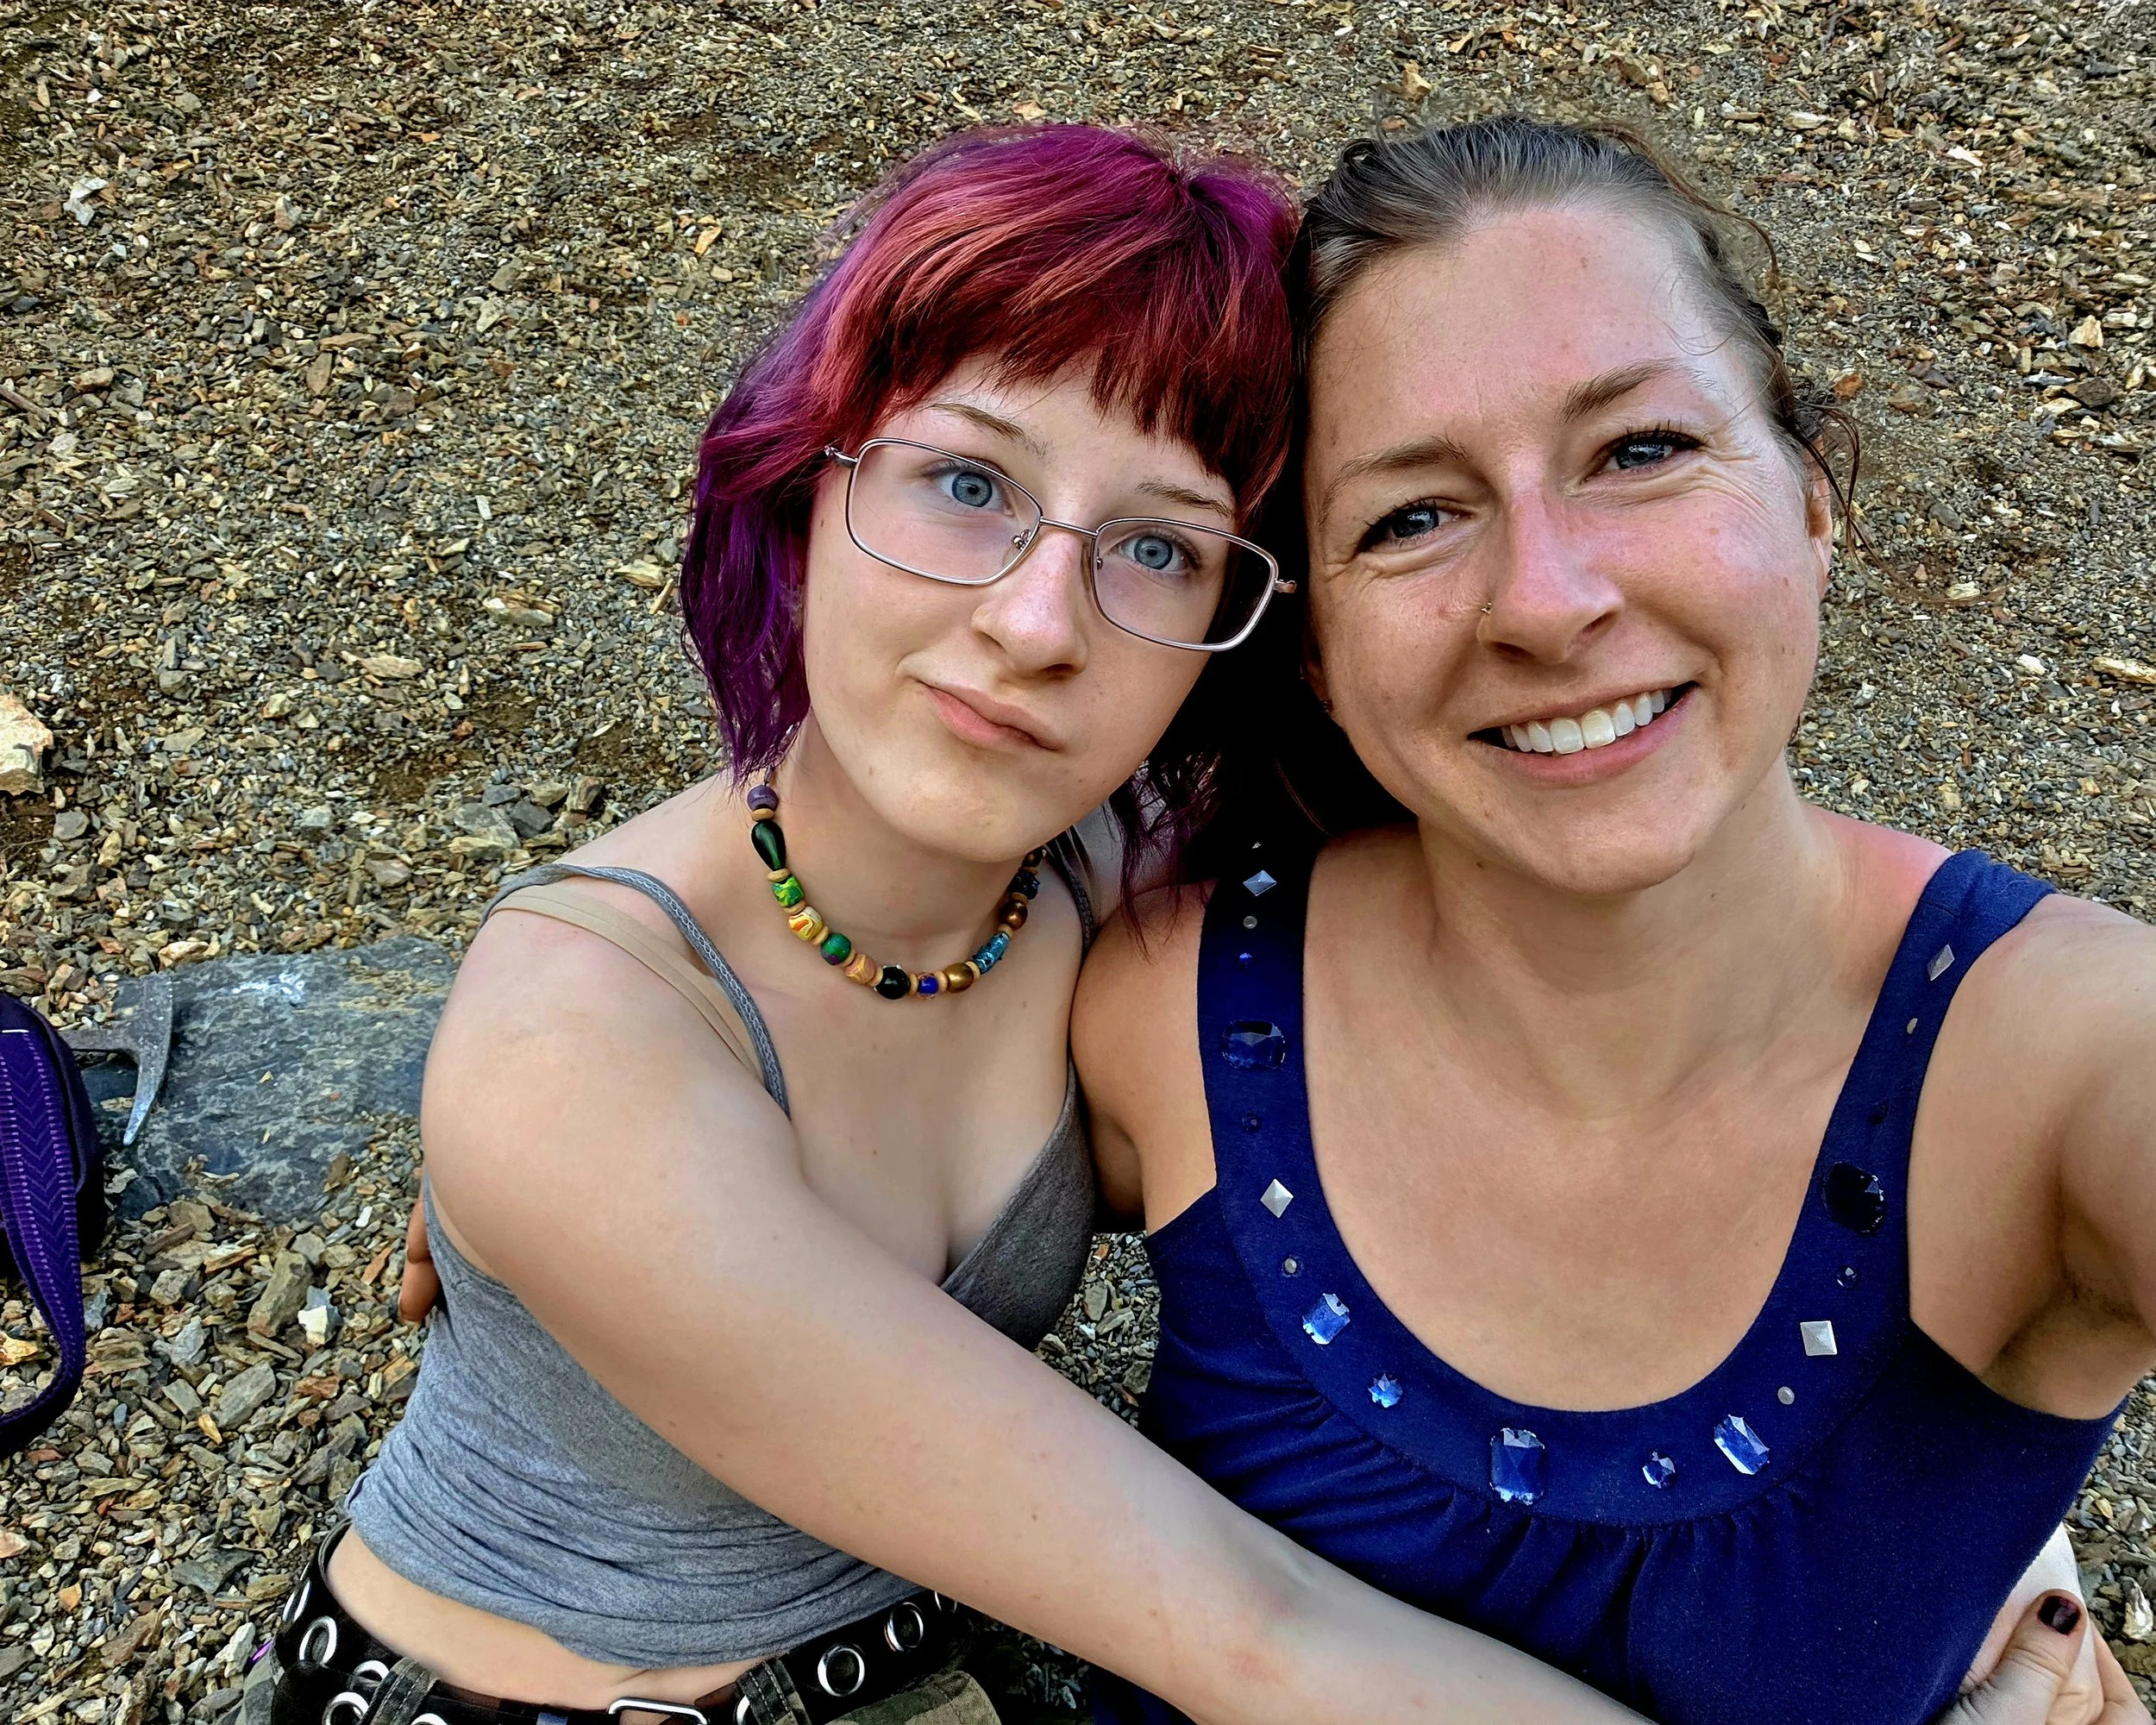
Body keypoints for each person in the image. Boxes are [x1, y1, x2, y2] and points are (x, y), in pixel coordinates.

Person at [244, 122, 1668, 1725]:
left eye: (1157, 547)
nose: (1039, 625)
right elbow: (1248, 1634)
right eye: (968, 484)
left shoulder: (1100, 874)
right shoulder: (581, 1048)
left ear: (1232, 622)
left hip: (910, 1656)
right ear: (805, 481)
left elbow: (1567, 991)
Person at [1075, 117, 2156, 1725]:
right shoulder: (1171, 1003)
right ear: (1311, 645)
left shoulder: (2069, 1068)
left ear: (1810, 501)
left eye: (1641, 449)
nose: (1546, 597)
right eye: (1411, 518)